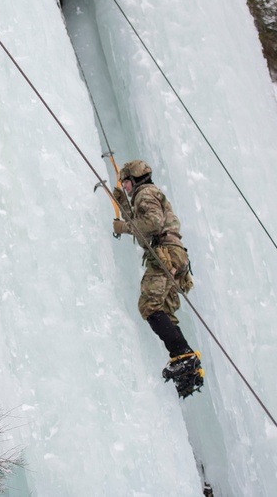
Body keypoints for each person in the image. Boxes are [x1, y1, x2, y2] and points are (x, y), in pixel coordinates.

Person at [112, 159, 204, 398]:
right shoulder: (147, 195)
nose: (126, 188)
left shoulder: (145, 193)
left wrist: (123, 226)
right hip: (175, 257)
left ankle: (183, 354)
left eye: (127, 184)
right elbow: (145, 221)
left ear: (136, 180)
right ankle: (186, 363)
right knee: (163, 309)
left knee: (149, 305)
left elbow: (152, 223)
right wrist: (122, 203)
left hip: (166, 256)